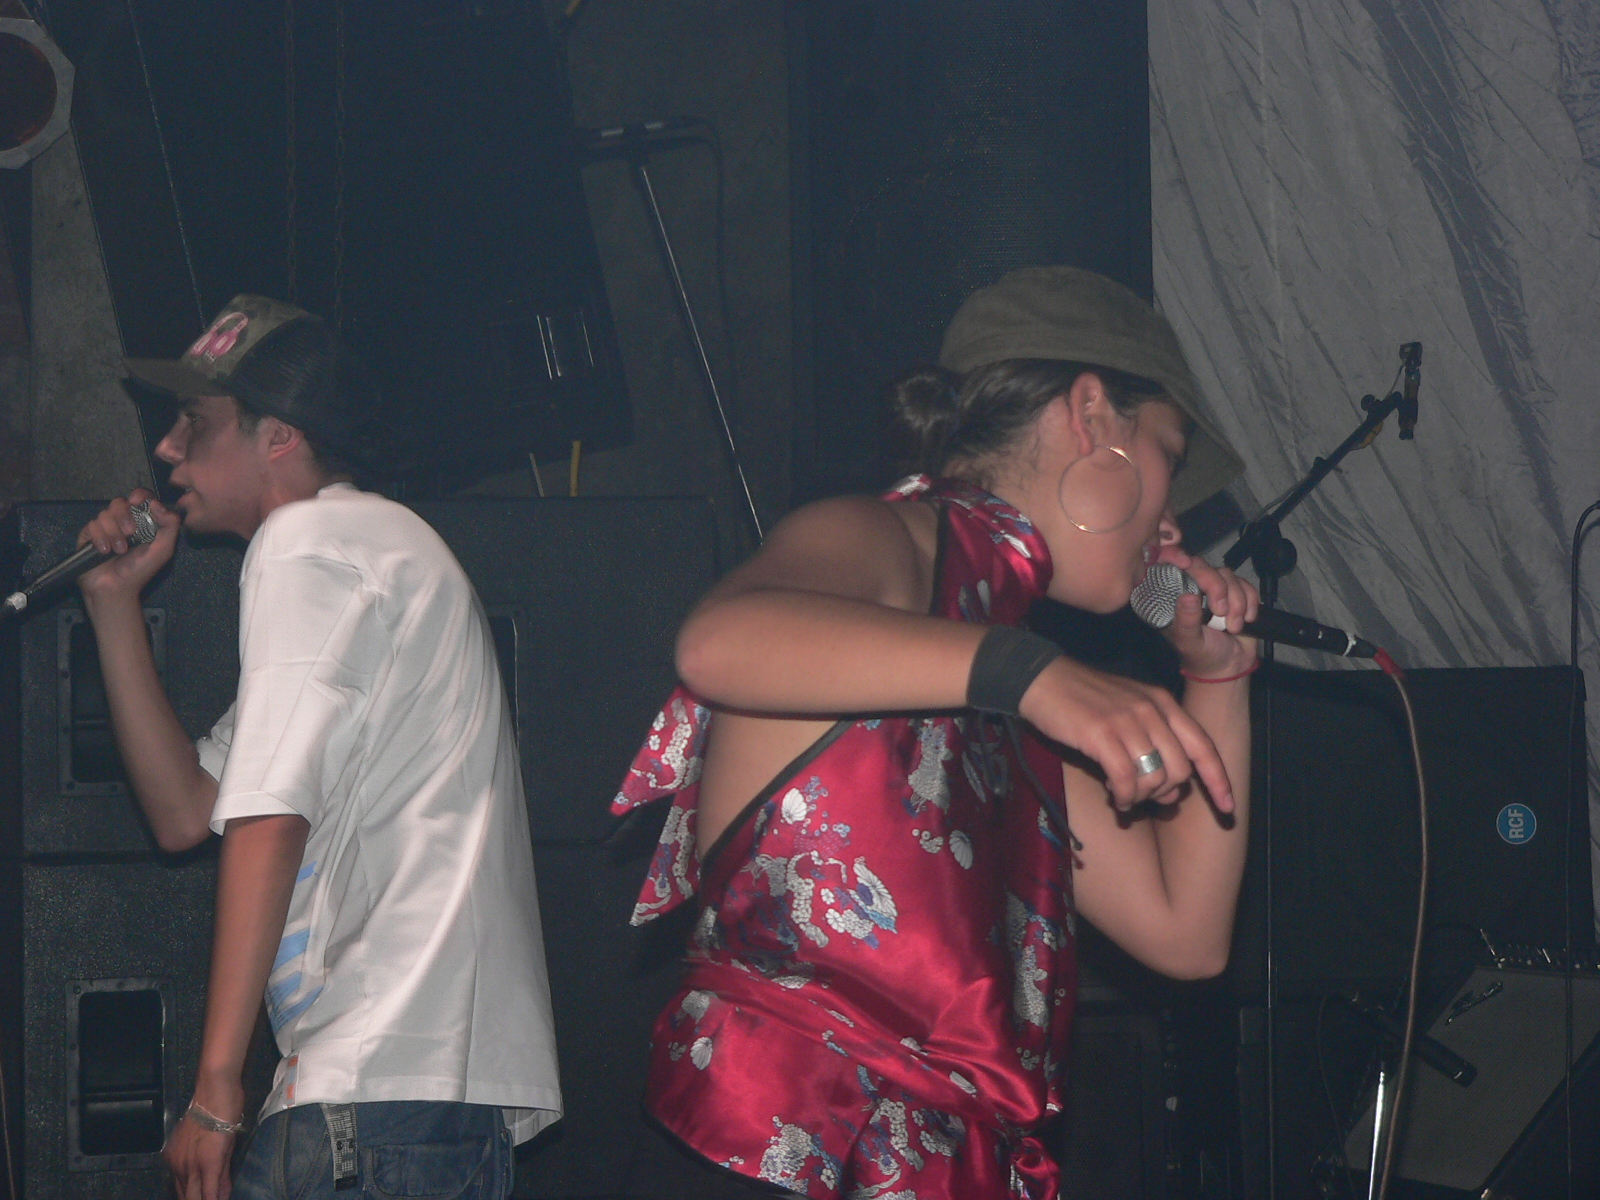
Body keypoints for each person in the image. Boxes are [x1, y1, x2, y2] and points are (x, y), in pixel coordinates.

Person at [611, 266, 1259, 1199]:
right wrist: (1032, 677)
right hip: (770, 1144)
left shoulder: (1004, 676)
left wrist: (1216, 676)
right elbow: (718, 642)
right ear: (1092, 416)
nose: (1174, 520)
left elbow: (1185, 934)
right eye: (1169, 453)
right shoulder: (888, 544)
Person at [77, 296, 561, 1200]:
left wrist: (216, 1088)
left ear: (279, 438)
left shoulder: (313, 543)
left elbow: (270, 813)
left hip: (377, 1093)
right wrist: (113, 603)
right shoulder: (365, 556)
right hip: (399, 1096)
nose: (168, 449)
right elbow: (188, 811)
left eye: (196, 420)